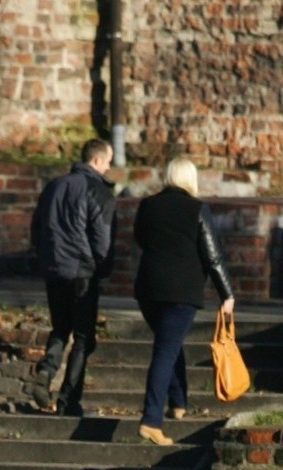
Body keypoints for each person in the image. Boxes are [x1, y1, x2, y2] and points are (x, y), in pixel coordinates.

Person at [133, 156, 235, 445]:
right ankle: (151, 420)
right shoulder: (197, 209)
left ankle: (178, 402)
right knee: (165, 350)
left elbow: (141, 239)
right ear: (191, 178)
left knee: (169, 343)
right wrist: (226, 293)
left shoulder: (147, 205)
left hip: (148, 290)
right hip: (181, 293)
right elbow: (212, 256)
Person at [30, 138, 117, 417]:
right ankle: (69, 401)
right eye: (107, 161)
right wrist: (102, 268)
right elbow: (103, 239)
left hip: (53, 268)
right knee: (83, 337)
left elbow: (37, 227)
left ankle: (46, 369)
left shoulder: (54, 186)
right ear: (96, 161)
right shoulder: (98, 191)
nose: (109, 167)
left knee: (60, 326)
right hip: (82, 272)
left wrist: (45, 258)